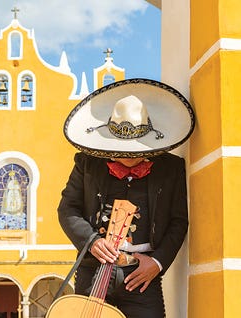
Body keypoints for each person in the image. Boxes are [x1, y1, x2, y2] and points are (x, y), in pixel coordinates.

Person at [57, 79, 195, 318]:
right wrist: (92, 242)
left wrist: (158, 263)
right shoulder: (86, 163)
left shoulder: (171, 168)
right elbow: (67, 209)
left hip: (143, 276)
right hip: (93, 272)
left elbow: (178, 221)